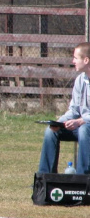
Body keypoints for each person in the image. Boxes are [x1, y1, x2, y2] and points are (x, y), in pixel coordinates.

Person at [38, 42, 90, 174]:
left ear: (86, 60)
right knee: (51, 132)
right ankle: (45, 179)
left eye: (75, 58)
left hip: (86, 127)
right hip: (82, 126)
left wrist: (80, 121)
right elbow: (73, 110)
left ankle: (82, 178)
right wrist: (59, 123)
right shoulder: (80, 80)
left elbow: (81, 120)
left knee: (84, 129)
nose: (73, 61)